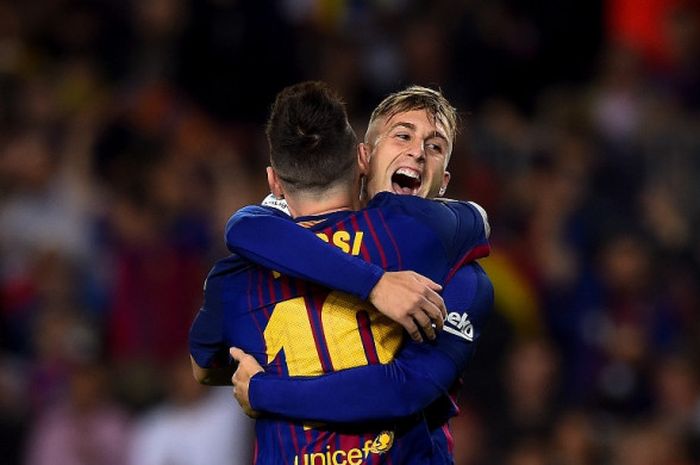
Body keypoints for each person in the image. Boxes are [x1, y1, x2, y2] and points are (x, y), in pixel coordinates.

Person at [189, 82, 492, 464]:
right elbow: (245, 225)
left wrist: (264, 390)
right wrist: (376, 284)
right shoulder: (418, 240)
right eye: (403, 135)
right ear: (364, 157)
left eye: (435, 147)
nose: (417, 152)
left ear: (445, 184)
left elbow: (405, 388)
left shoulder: (461, 276)